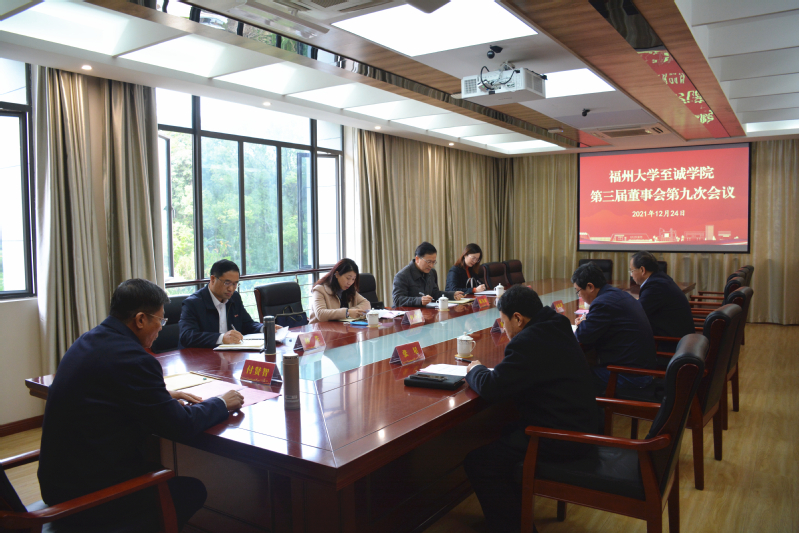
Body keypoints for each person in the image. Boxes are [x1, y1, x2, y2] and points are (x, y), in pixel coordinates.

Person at [38, 279, 244, 532]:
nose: (161, 328)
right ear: (140, 320)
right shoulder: (133, 359)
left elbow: (107, 390)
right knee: (190, 489)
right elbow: (180, 426)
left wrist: (159, 395)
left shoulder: (88, 341)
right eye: (161, 320)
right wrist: (221, 403)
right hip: (91, 497)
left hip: (58, 484)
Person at [463, 285, 599, 533]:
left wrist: (475, 369)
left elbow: (492, 388)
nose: (504, 329)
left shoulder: (529, 340)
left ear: (518, 318)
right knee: (506, 432)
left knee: (479, 462)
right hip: (582, 424)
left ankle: (513, 528)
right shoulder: (556, 324)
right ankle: (515, 517)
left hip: (561, 438)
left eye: (504, 321)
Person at [572, 262, 657, 396]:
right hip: (641, 369)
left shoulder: (602, 303)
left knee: (572, 377)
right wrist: (587, 322)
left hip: (630, 375)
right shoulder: (616, 294)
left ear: (590, 287)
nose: (579, 296)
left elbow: (582, 336)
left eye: (578, 291)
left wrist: (582, 324)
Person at [179, 259, 275, 348]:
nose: (231, 289)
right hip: (201, 356)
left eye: (235, 284)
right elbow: (186, 336)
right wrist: (222, 338)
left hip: (230, 354)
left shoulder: (234, 297)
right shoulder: (193, 303)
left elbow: (247, 324)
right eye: (227, 283)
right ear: (213, 279)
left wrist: (265, 328)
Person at [630, 251, 695, 353]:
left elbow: (636, 313)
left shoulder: (656, 286)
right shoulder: (660, 279)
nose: (631, 275)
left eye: (632, 270)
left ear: (642, 270)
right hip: (680, 340)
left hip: (671, 345)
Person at [392, 241, 464, 307]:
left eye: (433, 262)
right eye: (428, 262)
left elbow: (435, 293)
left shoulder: (432, 272)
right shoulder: (402, 276)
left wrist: (452, 295)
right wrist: (419, 300)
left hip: (426, 312)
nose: (431, 265)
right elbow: (397, 300)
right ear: (417, 259)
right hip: (408, 315)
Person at [309, 258, 371, 323]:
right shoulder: (319, 290)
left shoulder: (349, 289)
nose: (350, 283)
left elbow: (366, 304)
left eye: (353, 279)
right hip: (320, 328)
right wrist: (347, 312)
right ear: (337, 274)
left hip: (342, 327)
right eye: (348, 278)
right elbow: (320, 314)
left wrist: (351, 311)